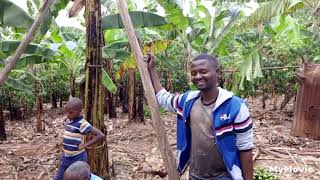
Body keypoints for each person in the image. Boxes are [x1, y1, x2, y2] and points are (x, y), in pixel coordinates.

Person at [146, 53, 254, 180]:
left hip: (224, 176)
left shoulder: (235, 107)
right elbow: (164, 98)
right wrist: (152, 70)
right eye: (193, 73)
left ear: (217, 72)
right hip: (196, 176)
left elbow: (245, 149)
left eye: (203, 72)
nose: (197, 76)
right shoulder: (187, 101)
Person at [54, 97, 105, 180]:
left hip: (78, 157)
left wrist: (85, 145)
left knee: (78, 177)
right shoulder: (69, 121)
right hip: (66, 157)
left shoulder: (82, 124)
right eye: (67, 112)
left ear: (79, 111)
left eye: (71, 113)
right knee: (58, 178)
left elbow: (100, 135)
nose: (68, 115)